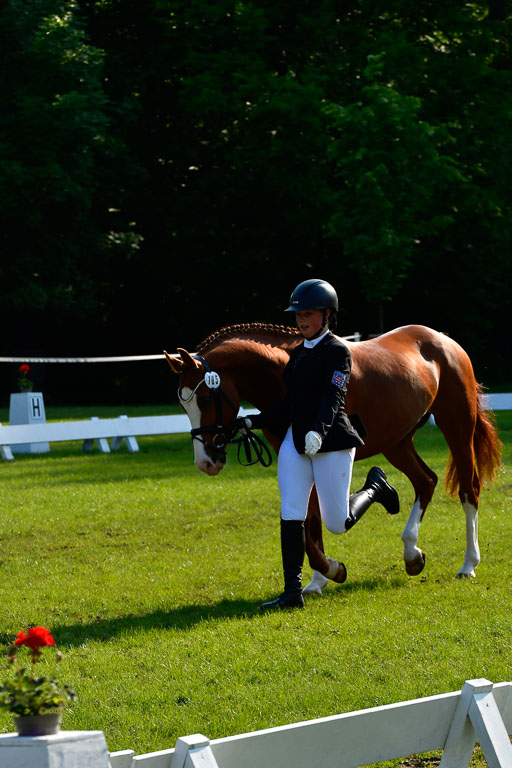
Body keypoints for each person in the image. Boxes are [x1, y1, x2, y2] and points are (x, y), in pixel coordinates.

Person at [236, 278, 400, 610]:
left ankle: (375, 488)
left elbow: (334, 396)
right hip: (297, 443)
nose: (300, 320)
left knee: (337, 524)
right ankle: (291, 593)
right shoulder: (296, 356)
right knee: (291, 513)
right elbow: (288, 406)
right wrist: (253, 420)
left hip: (333, 441)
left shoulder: (338, 351)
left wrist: (319, 432)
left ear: (326, 314)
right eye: (297, 314)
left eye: (307, 314)